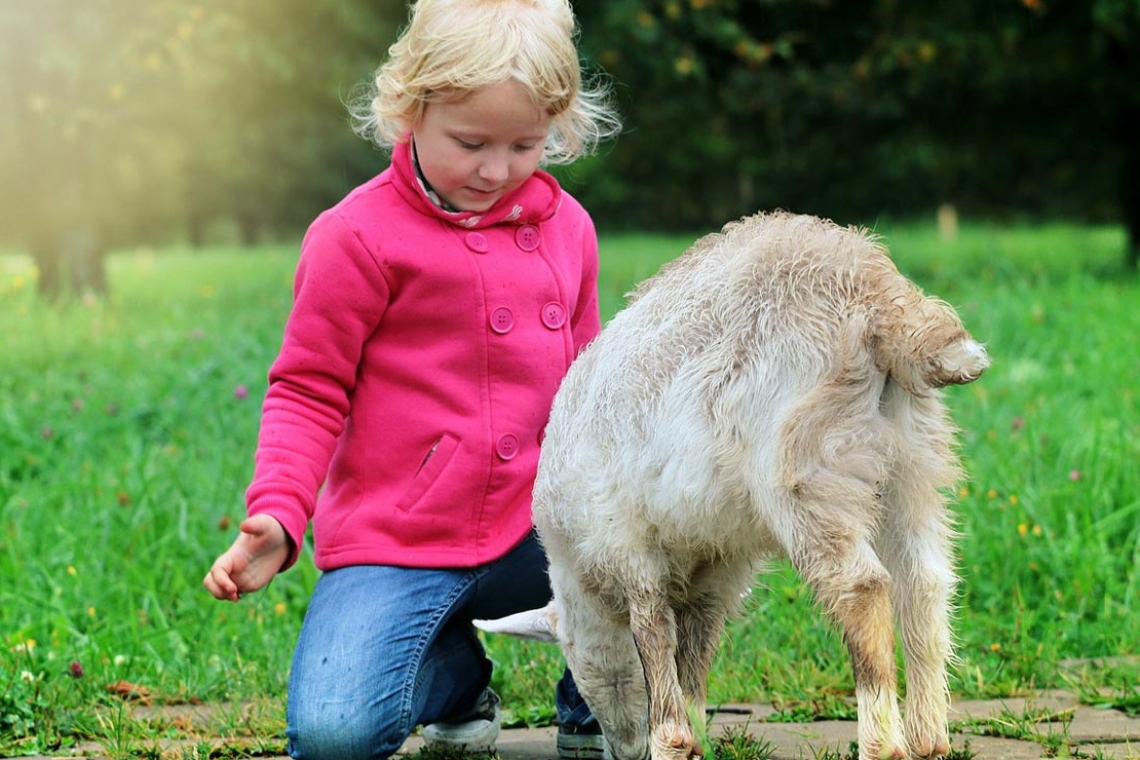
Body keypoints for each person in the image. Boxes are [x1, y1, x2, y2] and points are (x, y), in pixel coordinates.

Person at [202, 1, 621, 758]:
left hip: (542, 529)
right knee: (335, 735)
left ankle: (596, 700)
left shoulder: (570, 230)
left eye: (526, 144)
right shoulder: (355, 237)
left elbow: (592, 392)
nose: (497, 170)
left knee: (662, 551)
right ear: (409, 109)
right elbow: (307, 388)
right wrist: (279, 511)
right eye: (470, 143)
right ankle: (455, 680)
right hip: (402, 535)